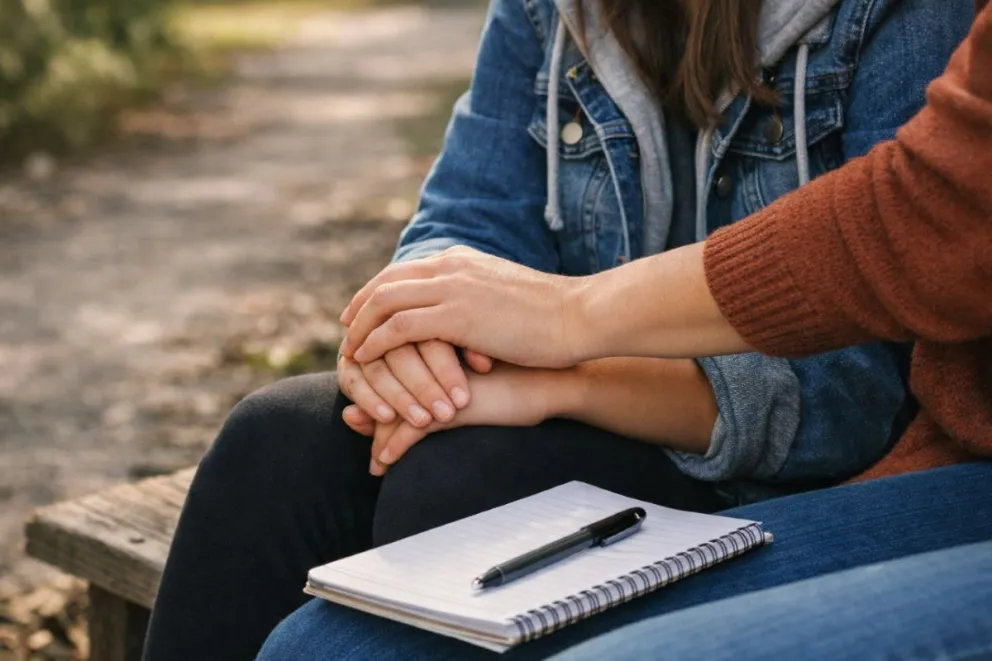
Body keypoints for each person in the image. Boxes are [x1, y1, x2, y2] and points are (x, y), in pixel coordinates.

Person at [142, 0, 974, 659]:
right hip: (582, 416)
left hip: (797, 464)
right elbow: (465, 219)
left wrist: (563, 372)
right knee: (278, 438)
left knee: (463, 476)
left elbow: (862, 394)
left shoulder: (898, 14)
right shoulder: (552, 9)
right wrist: (418, 346)